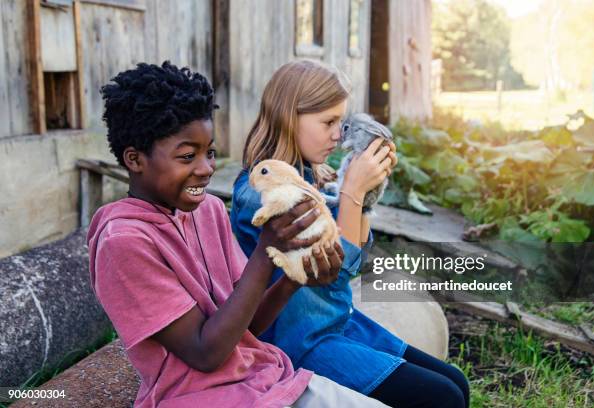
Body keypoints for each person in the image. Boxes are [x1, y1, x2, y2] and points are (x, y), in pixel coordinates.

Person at [87, 61, 389, 407]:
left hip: (264, 378)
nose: (205, 169)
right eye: (188, 156)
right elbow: (205, 354)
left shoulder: (209, 211)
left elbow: (249, 328)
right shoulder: (124, 242)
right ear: (134, 160)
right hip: (203, 398)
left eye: (210, 153)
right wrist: (265, 253)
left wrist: (296, 278)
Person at [230, 60, 470, 408]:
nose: (338, 134)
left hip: (337, 322)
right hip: (298, 342)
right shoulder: (265, 192)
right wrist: (352, 192)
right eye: (327, 122)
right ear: (288, 117)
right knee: (442, 398)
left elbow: (356, 259)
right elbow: (333, 270)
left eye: (340, 122)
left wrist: (367, 196)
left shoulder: (302, 177)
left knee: (456, 382)